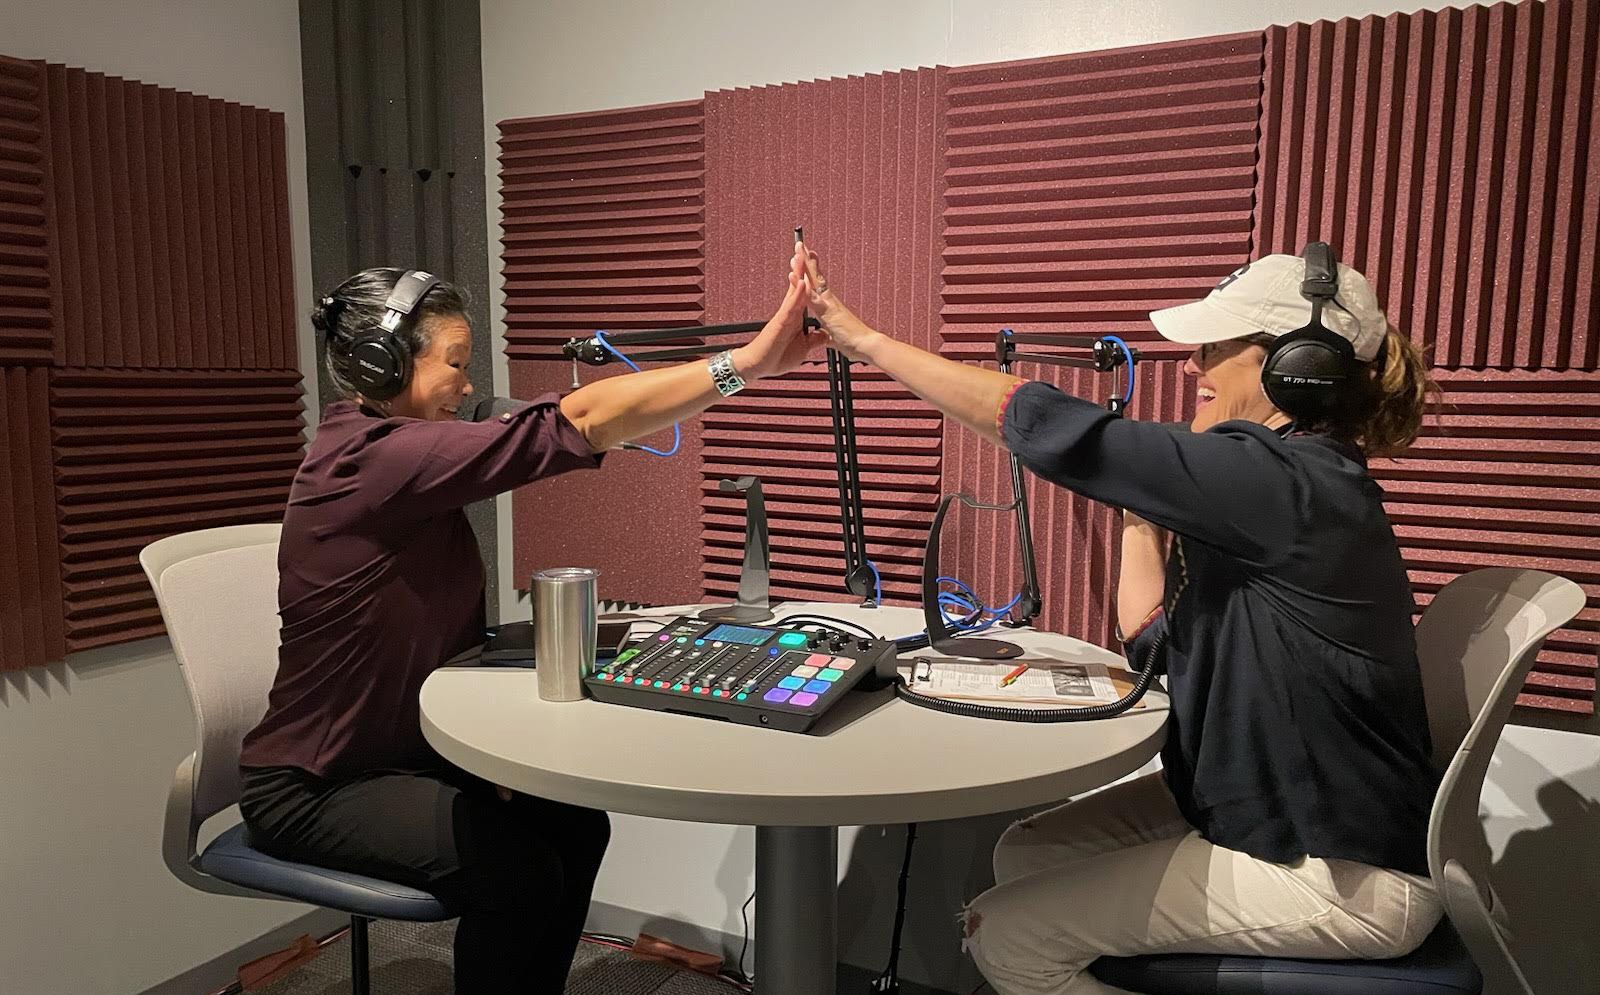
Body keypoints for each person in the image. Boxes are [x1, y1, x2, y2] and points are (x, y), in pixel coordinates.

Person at [796, 243, 1443, 994]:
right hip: (1279, 819)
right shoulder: (1283, 489)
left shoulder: (1286, 483)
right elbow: (1150, 639)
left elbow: (1047, 426)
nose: (1195, 366)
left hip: (1339, 872)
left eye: (1212, 348)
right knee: (1027, 853)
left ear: (1292, 367)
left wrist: (864, 340)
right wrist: (1148, 506)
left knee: (1007, 935)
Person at [239, 256, 816, 993]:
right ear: (383, 363)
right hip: (316, 783)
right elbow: (577, 421)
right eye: (455, 363)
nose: (469, 384)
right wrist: (749, 364)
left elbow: (552, 424)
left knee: (579, 823)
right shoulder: (365, 461)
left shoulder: (400, 457)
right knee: (516, 869)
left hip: (400, 756)